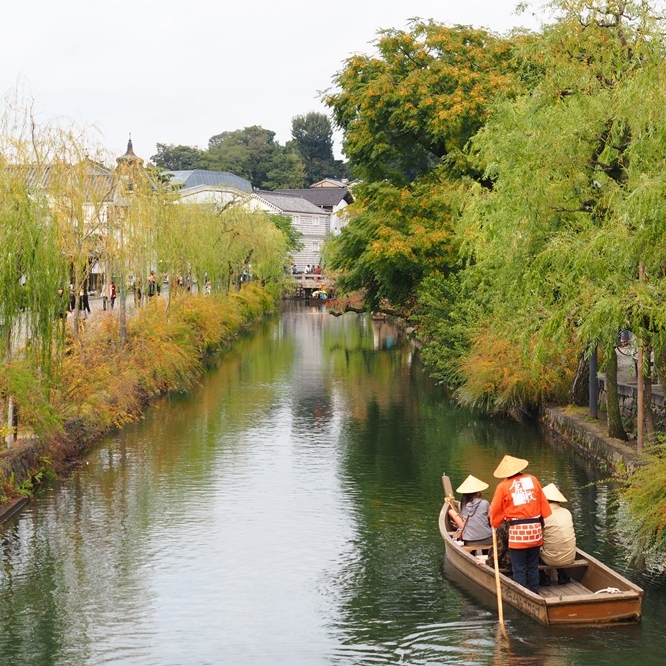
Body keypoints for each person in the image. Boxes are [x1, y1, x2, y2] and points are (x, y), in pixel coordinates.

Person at [489, 454, 552, 594]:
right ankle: (535, 593)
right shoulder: (533, 480)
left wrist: (495, 522)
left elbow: (495, 510)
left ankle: (523, 595)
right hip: (535, 531)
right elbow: (543, 506)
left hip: (518, 533)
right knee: (533, 566)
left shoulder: (503, 486)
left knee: (519, 568)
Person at [539, 483, 576, 586]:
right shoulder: (567, 512)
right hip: (570, 557)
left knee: (532, 547)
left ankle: (542, 577)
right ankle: (562, 575)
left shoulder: (542, 515)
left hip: (551, 559)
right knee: (558, 540)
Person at [448, 475, 493, 549]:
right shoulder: (485, 503)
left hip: (469, 540)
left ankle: (472, 557)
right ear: (478, 492)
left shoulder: (461, 505)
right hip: (487, 539)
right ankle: (486, 557)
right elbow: (490, 517)